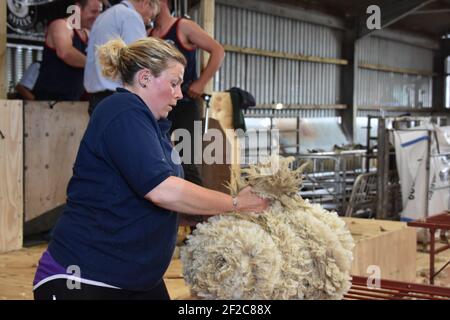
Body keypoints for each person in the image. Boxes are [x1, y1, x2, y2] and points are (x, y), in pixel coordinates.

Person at [32, 37, 269, 300]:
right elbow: (162, 191)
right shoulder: (122, 110)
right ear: (144, 78)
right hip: (82, 277)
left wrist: (204, 214)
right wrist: (235, 203)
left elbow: (142, 204)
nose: (180, 93)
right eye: (174, 83)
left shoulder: (153, 129)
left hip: (135, 280)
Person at [150, 0, 225, 226]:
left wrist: (201, 82)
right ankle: (170, 223)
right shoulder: (151, 34)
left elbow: (218, 51)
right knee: (161, 161)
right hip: (161, 109)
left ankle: (202, 226)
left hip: (185, 103)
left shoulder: (183, 26)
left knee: (187, 160)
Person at [84, 0, 160, 115]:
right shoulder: (131, 16)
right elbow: (139, 58)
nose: (148, 21)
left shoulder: (102, 17)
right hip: (118, 98)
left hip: (97, 99)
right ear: (146, 3)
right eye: (151, 16)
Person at [32, 0, 103, 101]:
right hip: (49, 101)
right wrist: (96, 65)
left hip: (75, 100)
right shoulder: (61, 25)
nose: (97, 16)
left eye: (99, 12)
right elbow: (65, 53)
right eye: (93, 12)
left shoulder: (90, 34)